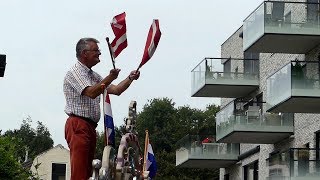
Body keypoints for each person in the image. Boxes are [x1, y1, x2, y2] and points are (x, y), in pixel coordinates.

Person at [63, 37, 140, 180]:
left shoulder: (93, 75)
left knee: (87, 171)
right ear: (84, 53)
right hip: (78, 125)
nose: (99, 54)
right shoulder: (75, 72)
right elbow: (92, 92)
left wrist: (130, 78)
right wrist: (110, 77)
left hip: (89, 127)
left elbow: (116, 90)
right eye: (96, 51)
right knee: (80, 171)